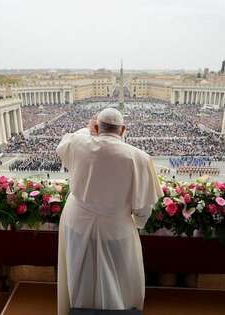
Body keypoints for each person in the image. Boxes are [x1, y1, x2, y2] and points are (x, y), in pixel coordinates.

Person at [56, 108, 163, 314]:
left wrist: (92, 129)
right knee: (119, 277)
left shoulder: (80, 142)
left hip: (77, 221)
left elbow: (73, 137)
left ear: (96, 127)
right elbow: (143, 209)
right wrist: (138, 223)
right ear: (124, 130)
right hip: (116, 227)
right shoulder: (139, 157)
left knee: (79, 273)